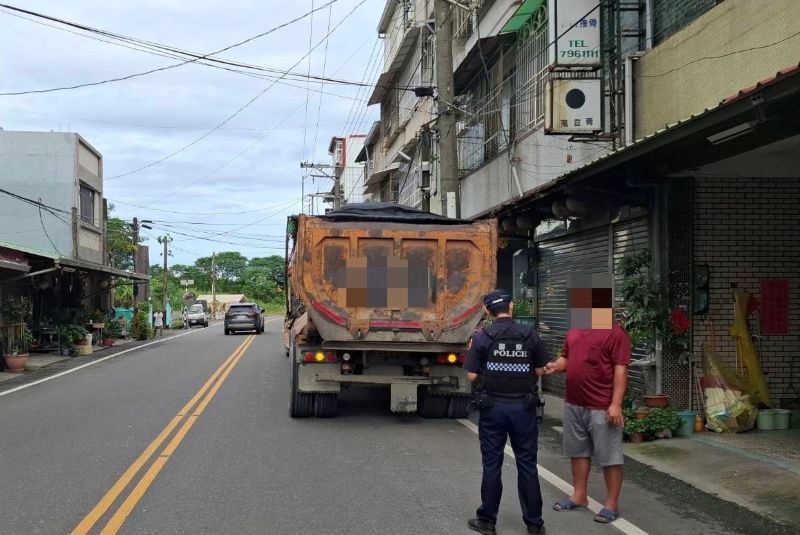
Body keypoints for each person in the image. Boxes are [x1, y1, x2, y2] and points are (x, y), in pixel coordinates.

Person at [544, 273, 631, 524]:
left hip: (601, 405)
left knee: (610, 456)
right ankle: (579, 495)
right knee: (578, 452)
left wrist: (615, 404)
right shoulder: (575, 329)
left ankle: (611, 504)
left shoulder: (615, 333)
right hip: (574, 402)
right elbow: (566, 358)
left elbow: (621, 370)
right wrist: (554, 366)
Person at [463, 290, 550, 535]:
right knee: (527, 465)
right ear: (511, 307)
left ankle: (487, 521)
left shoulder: (483, 337)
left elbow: (470, 374)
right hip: (524, 409)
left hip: (493, 410)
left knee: (492, 465)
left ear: (488, 312)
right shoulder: (529, 334)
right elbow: (542, 369)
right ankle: (534, 524)